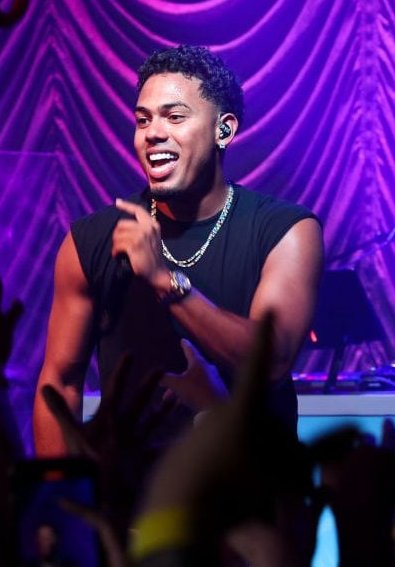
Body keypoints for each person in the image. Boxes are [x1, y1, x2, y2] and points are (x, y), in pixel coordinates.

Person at [32, 44, 323, 459]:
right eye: (142, 119)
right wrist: (61, 499)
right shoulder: (91, 240)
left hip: (250, 505)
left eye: (174, 116)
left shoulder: (286, 231)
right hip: (131, 512)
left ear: (224, 130)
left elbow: (272, 363)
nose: (152, 132)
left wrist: (163, 279)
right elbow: (59, 384)